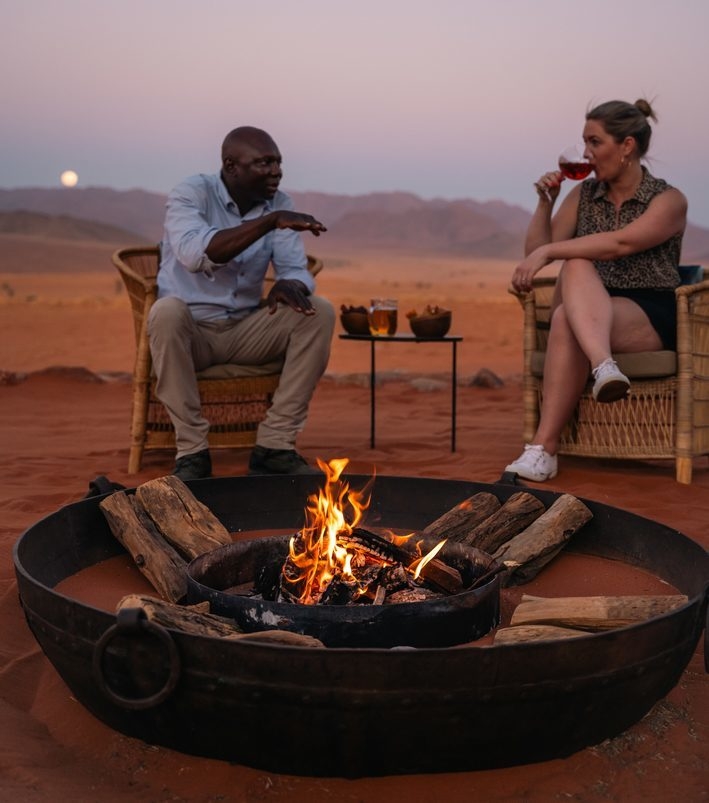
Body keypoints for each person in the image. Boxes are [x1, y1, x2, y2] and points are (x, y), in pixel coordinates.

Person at [505, 99, 687, 482]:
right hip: (586, 303)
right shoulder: (583, 195)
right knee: (575, 275)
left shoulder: (668, 200)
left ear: (627, 146)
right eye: (584, 142)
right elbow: (536, 250)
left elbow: (620, 244)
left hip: (647, 311)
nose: (585, 153)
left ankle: (542, 450)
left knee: (566, 310)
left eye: (595, 142)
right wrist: (545, 204)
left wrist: (551, 251)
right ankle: (603, 366)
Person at [149, 126, 335, 481]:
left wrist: (288, 283)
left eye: (278, 162)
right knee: (165, 312)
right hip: (193, 332)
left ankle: (275, 445)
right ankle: (192, 453)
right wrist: (268, 223)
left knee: (319, 312)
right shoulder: (192, 194)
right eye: (264, 163)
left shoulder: (279, 202)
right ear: (232, 166)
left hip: (246, 329)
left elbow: (295, 267)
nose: (276, 171)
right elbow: (195, 254)